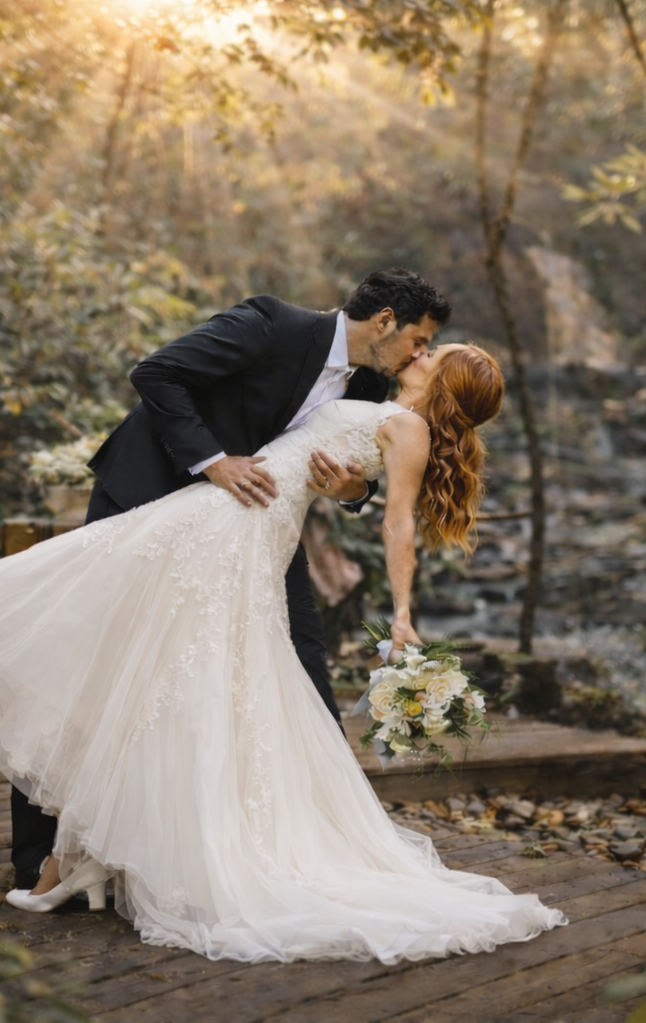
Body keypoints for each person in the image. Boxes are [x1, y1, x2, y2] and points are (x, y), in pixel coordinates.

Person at [0, 339, 568, 964]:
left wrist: (403, 611)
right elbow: (330, 460)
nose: (422, 350)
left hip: (239, 527)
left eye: (434, 353)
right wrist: (347, 483)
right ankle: (66, 853)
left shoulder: (408, 428)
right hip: (230, 513)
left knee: (103, 587)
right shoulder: (383, 401)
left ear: (444, 382)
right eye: (425, 340)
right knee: (135, 644)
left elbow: (397, 527)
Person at [29, 268, 451, 895]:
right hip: (153, 494)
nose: (421, 354)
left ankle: (315, 837)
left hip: (255, 530)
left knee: (302, 661)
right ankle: (44, 855)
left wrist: (351, 489)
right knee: (104, 663)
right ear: (385, 320)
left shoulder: (369, 381)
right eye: (419, 339)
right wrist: (211, 460)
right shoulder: (272, 323)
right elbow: (155, 373)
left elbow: (356, 475)